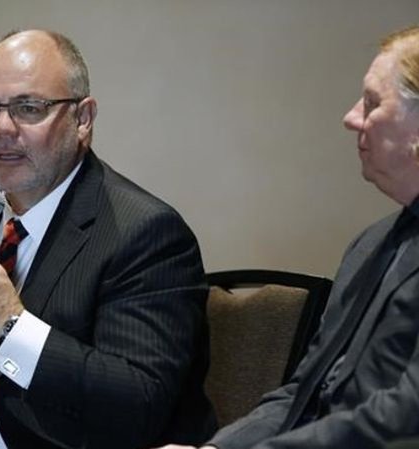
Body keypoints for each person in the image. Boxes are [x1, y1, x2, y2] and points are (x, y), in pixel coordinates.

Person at [0, 29, 216, 449]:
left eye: (29, 107)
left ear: (83, 119)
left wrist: (11, 325)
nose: (2, 127)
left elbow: (138, 403)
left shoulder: (144, 233)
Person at [157, 25, 419, 449]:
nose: (351, 117)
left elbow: (404, 420)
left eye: (372, 103)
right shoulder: (370, 244)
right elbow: (302, 395)